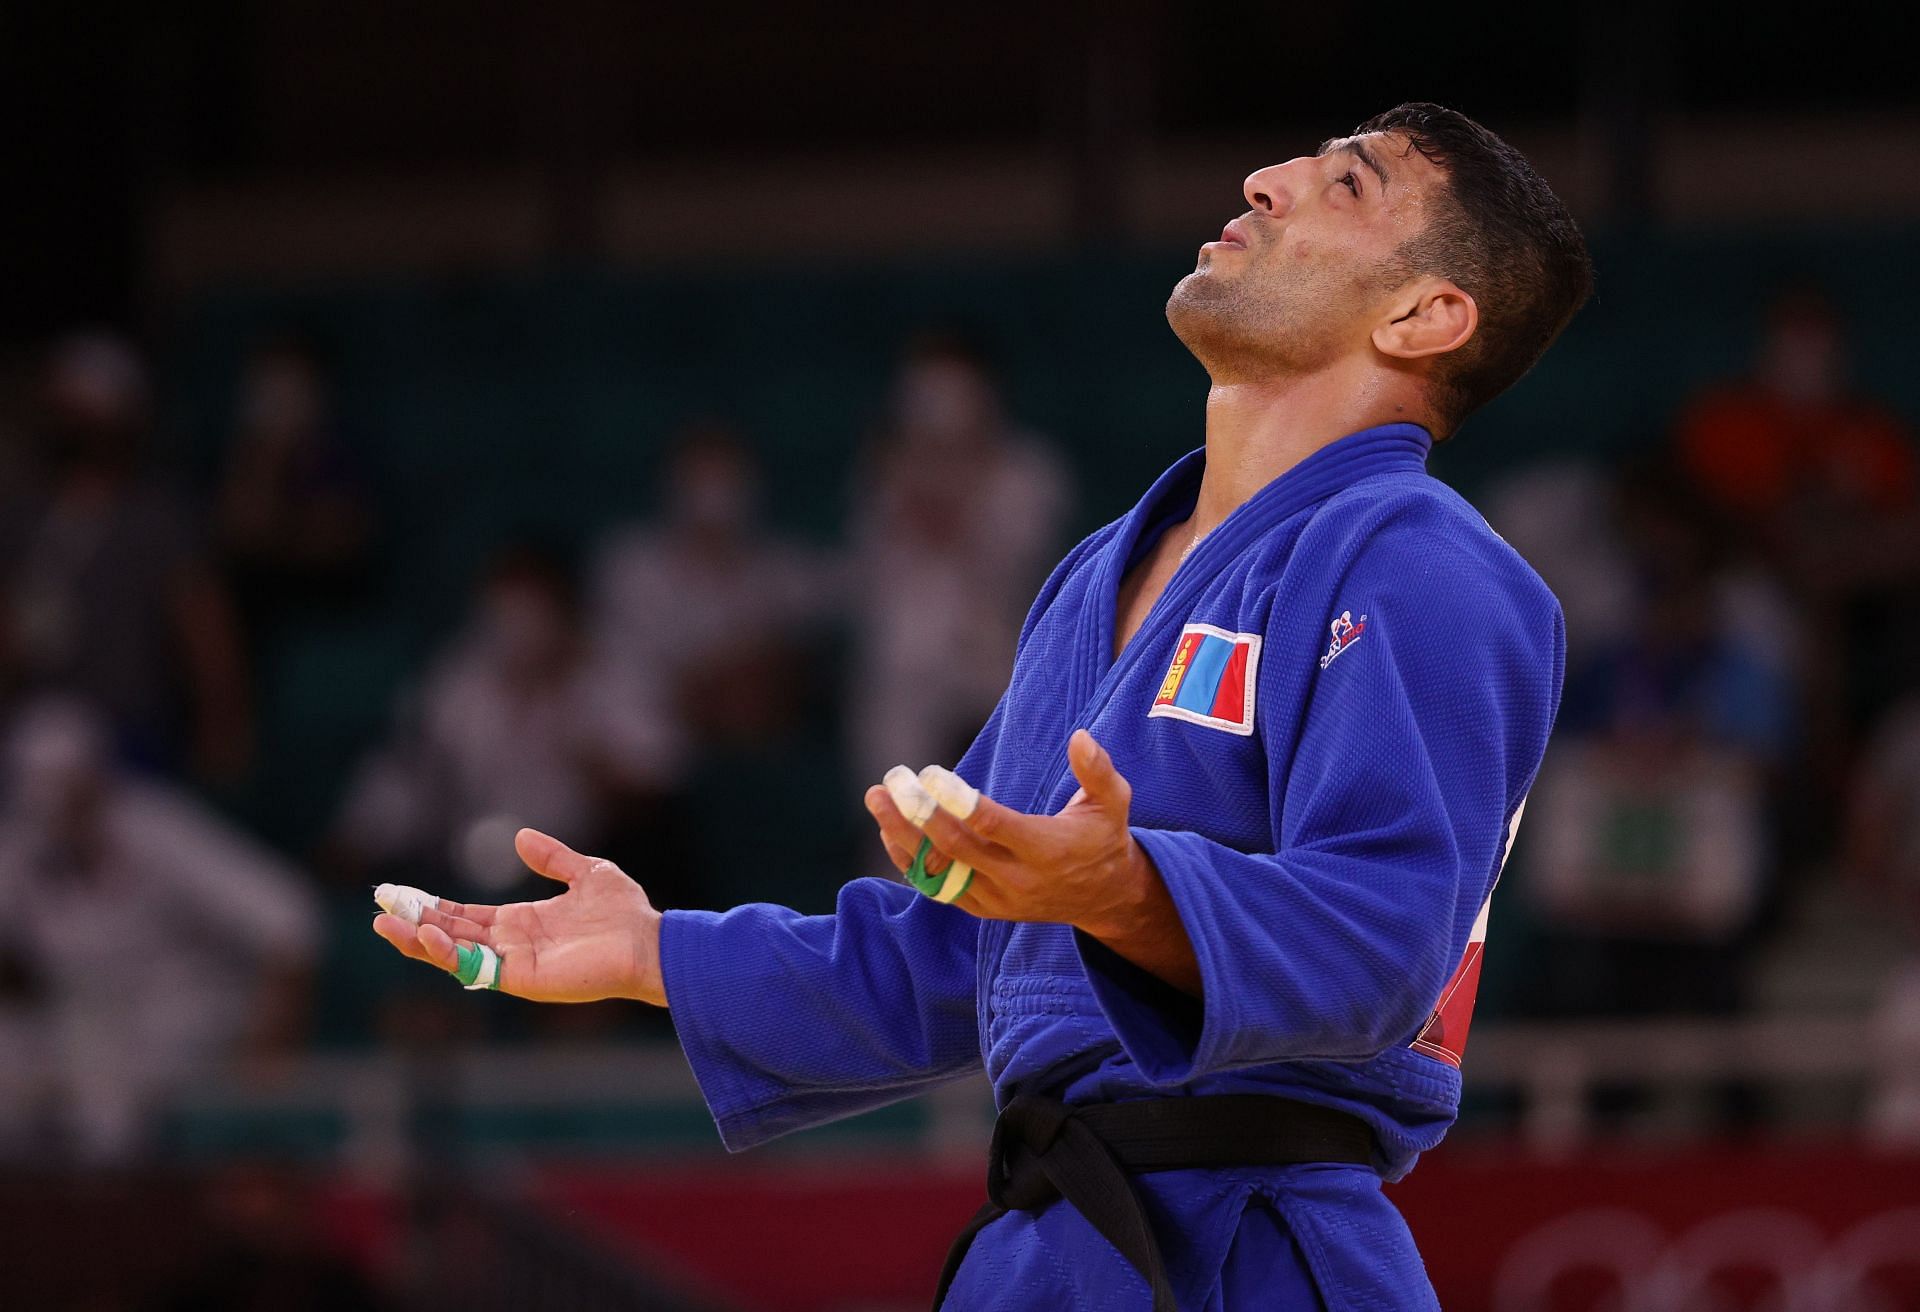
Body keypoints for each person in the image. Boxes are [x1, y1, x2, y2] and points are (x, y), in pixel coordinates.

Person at [374, 102, 1590, 1309]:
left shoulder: (1424, 561)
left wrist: (1124, 890)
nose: (1267, 178)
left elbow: (1384, 936)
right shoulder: (1096, 574)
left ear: (1426, 314)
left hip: (1251, 1248)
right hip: (1047, 1251)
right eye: (1300, 162)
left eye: (1348, 185)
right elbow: (959, 941)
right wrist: (659, 955)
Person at [847, 334, 1072, 782]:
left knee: (1017, 782)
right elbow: (871, 574)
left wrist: (960, 472)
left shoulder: (1028, 472)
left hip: (997, 653)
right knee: (894, 795)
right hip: (905, 669)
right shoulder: (884, 471)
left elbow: (1014, 567)